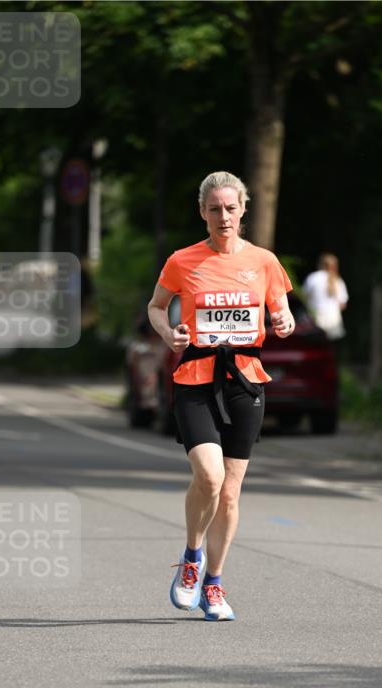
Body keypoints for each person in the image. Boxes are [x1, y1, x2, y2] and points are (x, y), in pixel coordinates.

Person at [148, 170, 295, 621]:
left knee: (229, 493)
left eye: (231, 208)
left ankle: (214, 582)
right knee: (209, 478)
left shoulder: (265, 261)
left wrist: (284, 322)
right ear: (202, 213)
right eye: (214, 209)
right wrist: (169, 332)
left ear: (244, 209)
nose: (223, 216)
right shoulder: (182, 260)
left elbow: (280, 309)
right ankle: (191, 557)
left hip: (246, 381)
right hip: (194, 378)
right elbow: (156, 306)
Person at [302, 253, 348, 341]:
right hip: (333, 322)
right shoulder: (338, 281)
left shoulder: (312, 278)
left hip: (314, 321)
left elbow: (303, 298)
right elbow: (342, 305)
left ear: (320, 264)